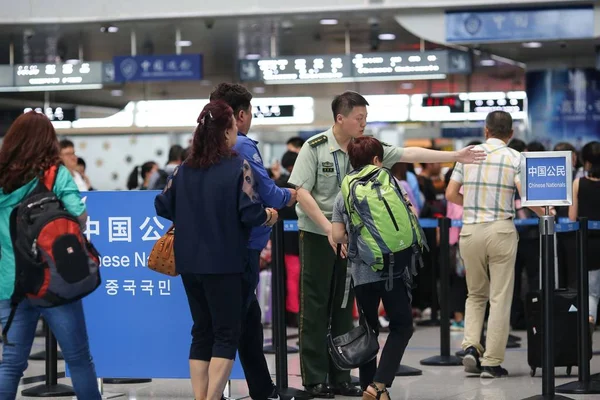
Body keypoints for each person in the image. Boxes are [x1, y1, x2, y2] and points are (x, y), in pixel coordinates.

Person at [288, 90, 485, 397]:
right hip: (317, 235)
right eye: (359, 118)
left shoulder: (366, 148)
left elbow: (409, 153)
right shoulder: (314, 148)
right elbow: (301, 191)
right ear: (341, 119)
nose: (363, 123)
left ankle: (342, 376)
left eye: (365, 118)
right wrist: (329, 229)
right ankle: (314, 378)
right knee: (315, 305)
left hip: (358, 244)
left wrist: (455, 157)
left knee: (345, 308)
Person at [155, 100, 278, 400]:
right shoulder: (238, 166)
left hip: (188, 262)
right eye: (234, 128)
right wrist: (269, 216)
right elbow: (250, 213)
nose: (237, 133)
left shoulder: (184, 168)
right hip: (224, 262)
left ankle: (201, 398)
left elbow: (162, 204)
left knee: (202, 331)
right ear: (225, 132)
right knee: (226, 333)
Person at [0, 111, 101, 399]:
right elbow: (79, 215)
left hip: (11, 284)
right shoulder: (55, 173)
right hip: (54, 281)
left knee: (11, 365)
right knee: (79, 358)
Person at [209, 82, 296, 400]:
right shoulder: (243, 146)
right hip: (243, 246)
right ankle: (220, 393)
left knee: (243, 320)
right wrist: (291, 194)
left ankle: (261, 388)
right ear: (240, 115)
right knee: (235, 323)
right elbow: (268, 192)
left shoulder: (202, 149)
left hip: (215, 247)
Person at [446, 111, 547, 379]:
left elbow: (450, 193)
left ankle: (470, 347)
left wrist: (473, 206)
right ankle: (491, 363)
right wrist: (546, 213)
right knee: (500, 297)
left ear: (486, 130)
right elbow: (526, 196)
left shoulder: (467, 155)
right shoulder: (516, 157)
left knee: (475, 294)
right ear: (511, 134)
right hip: (501, 230)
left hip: (470, 231)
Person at [331, 136, 417, 400]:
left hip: (362, 273)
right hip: (393, 269)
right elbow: (410, 216)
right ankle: (378, 386)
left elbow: (337, 235)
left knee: (369, 330)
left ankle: (370, 387)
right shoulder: (393, 183)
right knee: (402, 326)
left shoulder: (343, 191)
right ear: (377, 160)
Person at [569, 141, 600, 333]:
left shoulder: (578, 183)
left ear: (585, 161)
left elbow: (572, 217)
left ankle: (589, 318)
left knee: (592, 291)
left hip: (588, 242)